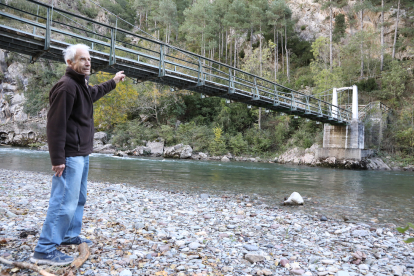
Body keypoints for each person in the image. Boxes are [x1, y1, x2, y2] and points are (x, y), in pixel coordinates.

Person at [30, 44, 125, 266]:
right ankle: (44, 249)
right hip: (70, 155)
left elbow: (93, 94)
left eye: (89, 58)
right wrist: (57, 159)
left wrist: (113, 82)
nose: (88, 62)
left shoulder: (80, 85)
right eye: (82, 59)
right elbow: (55, 126)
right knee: (63, 201)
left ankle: (68, 235)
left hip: (82, 153)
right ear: (70, 63)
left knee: (78, 199)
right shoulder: (66, 87)